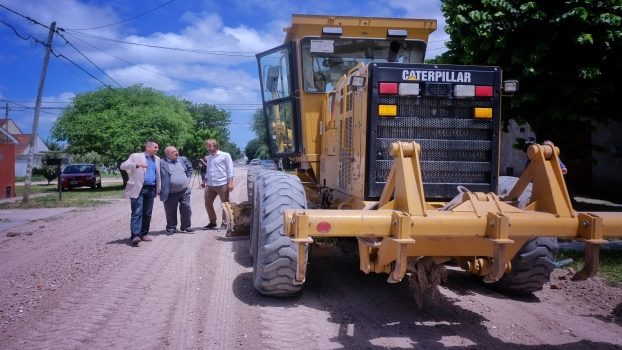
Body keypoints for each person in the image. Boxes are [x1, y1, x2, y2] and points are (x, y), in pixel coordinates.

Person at [120, 141, 161, 246]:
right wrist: (137, 165)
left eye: (157, 147)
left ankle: (144, 234)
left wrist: (159, 188)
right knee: (137, 212)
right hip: (138, 188)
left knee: (147, 213)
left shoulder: (157, 159)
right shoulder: (136, 156)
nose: (157, 149)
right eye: (155, 147)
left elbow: (158, 175)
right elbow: (123, 166)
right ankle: (135, 235)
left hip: (151, 189)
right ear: (148, 148)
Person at [160, 146, 194, 235]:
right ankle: (171, 227)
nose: (176, 152)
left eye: (176, 151)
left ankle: (186, 226)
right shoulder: (162, 163)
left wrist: (188, 179)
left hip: (184, 190)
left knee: (186, 208)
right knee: (170, 211)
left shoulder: (182, 160)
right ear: (167, 154)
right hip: (170, 192)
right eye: (173, 152)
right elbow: (158, 175)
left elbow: (190, 169)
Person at [202, 139, 234, 229]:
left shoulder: (225, 155)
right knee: (208, 203)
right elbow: (209, 171)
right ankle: (212, 222)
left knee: (225, 204)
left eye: (210, 146)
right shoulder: (209, 158)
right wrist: (204, 181)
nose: (208, 148)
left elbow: (230, 169)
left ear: (216, 146)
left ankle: (224, 224)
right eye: (207, 146)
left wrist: (230, 182)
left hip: (222, 184)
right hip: (210, 185)